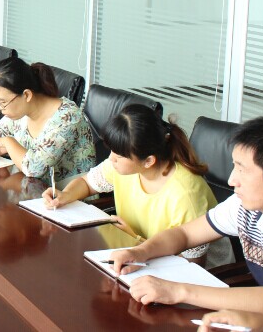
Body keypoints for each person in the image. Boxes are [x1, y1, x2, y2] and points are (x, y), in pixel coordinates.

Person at [110, 116, 263, 312]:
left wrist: (176, 291)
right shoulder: (244, 206)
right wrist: (140, 252)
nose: (232, 180)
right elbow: (184, 235)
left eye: (242, 170)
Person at [42, 105, 216, 255]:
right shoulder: (123, 166)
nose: (111, 159)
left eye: (119, 156)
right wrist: (66, 195)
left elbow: (192, 263)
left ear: (148, 161)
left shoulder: (185, 193)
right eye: (112, 151)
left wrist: (136, 240)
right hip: (135, 251)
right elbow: (87, 183)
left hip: (193, 271)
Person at [0, 57, 95, 179]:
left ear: (26, 95)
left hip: (65, 197)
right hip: (31, 190)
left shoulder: (67, 117)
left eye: (2, 102)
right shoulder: (23, 111)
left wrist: (8, 142)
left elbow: (34, 168)